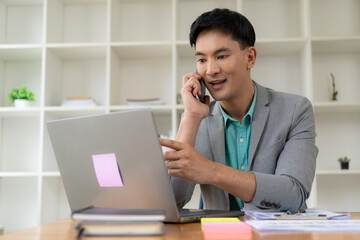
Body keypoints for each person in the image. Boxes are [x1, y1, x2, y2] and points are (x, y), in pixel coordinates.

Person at [160, 8, 318, 211]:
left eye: (221, 56)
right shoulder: (197, 117)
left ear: (250, 57)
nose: (211, 70)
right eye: (201, 59)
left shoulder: (296, 110)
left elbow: (293, 193)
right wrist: (190, 118)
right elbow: (167, 203)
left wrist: (210, 171)